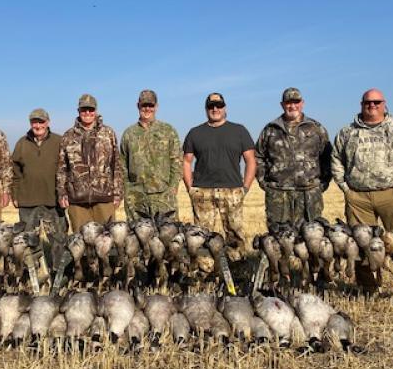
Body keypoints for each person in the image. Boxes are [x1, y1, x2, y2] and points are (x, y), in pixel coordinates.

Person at [331, 88, 393, 233]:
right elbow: (336, 159)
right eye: (368, 102)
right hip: (358, 199)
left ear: (384, 104)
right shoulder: (347, 132)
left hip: (392, 194)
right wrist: (346, 189)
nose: (372, 105)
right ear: (361, 104)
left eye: (376, 102)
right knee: (363, 247)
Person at [182, 92, 256, 261]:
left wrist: (245, 188)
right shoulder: (195, 133)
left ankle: (236, 270)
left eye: (219, 106)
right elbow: (186, 162)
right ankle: (204, 272)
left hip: (232, 191)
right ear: (206, 109)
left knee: (235, 235)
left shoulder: (239, 131)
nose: (215, 109)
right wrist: (190, 188)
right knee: (201, 236)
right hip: (203, 191)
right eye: (211, 106)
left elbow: (251, 160)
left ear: (225, 108)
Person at [255, 87, 332, 230]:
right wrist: (264, 183)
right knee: (278, 239)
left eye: (296, 102)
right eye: (288, 102)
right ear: (282, 105)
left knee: (311, 236)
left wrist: (322, 184)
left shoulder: (316, 128)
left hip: (309, 193)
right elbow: (258, 156)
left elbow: (327, 156)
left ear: (302, 103)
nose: (292, 106)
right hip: (278, 194)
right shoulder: (270, 129)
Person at [57, 94, 124, 232]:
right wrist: (62, 193)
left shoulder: (108, 133)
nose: (87, 113)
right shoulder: (68, 136)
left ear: (96, 111)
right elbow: (62, 168)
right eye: (84, 109)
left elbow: (116, 164)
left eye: (90, 109)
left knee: (107, 239)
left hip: (104, 196)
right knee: (81, 241)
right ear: (79, 111)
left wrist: (117, 193)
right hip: (77, 199)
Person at [120, 89, 182, 220]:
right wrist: (128, 190)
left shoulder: (168, 131)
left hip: (163, 196)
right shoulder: (129, 134)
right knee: (137, 237)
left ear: (156, 107)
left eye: (151, 105)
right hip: (136, 198)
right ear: (138, 106)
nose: (147, 109)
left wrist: (172, 188)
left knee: (167, 235)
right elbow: (122, 165)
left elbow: (177, 162)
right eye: (144, 105)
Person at [11, 108, 67, 236]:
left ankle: (56, 257)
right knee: (29, 240)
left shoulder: (59, 141)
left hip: (53, 200)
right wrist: (15, 194)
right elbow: (15, 171)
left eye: (41, 122)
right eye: (34, 122)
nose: (38, 125)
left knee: (58, 238)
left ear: (47, 122)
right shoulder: (22, 143)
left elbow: (68, 169)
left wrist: (64, 194)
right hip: (27, 200)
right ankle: (33, 256)